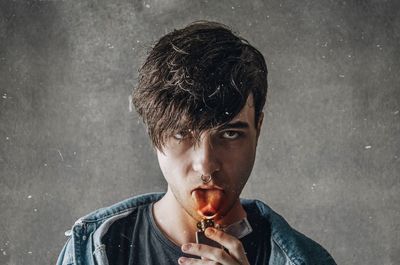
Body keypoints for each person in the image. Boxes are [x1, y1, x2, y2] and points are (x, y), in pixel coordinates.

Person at [56, 21, 336, 265]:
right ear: (154, 133)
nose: (206, 164)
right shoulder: (93, 249)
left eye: (229, 134)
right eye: (181, 134)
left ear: (257, 130)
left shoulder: (306, 259)